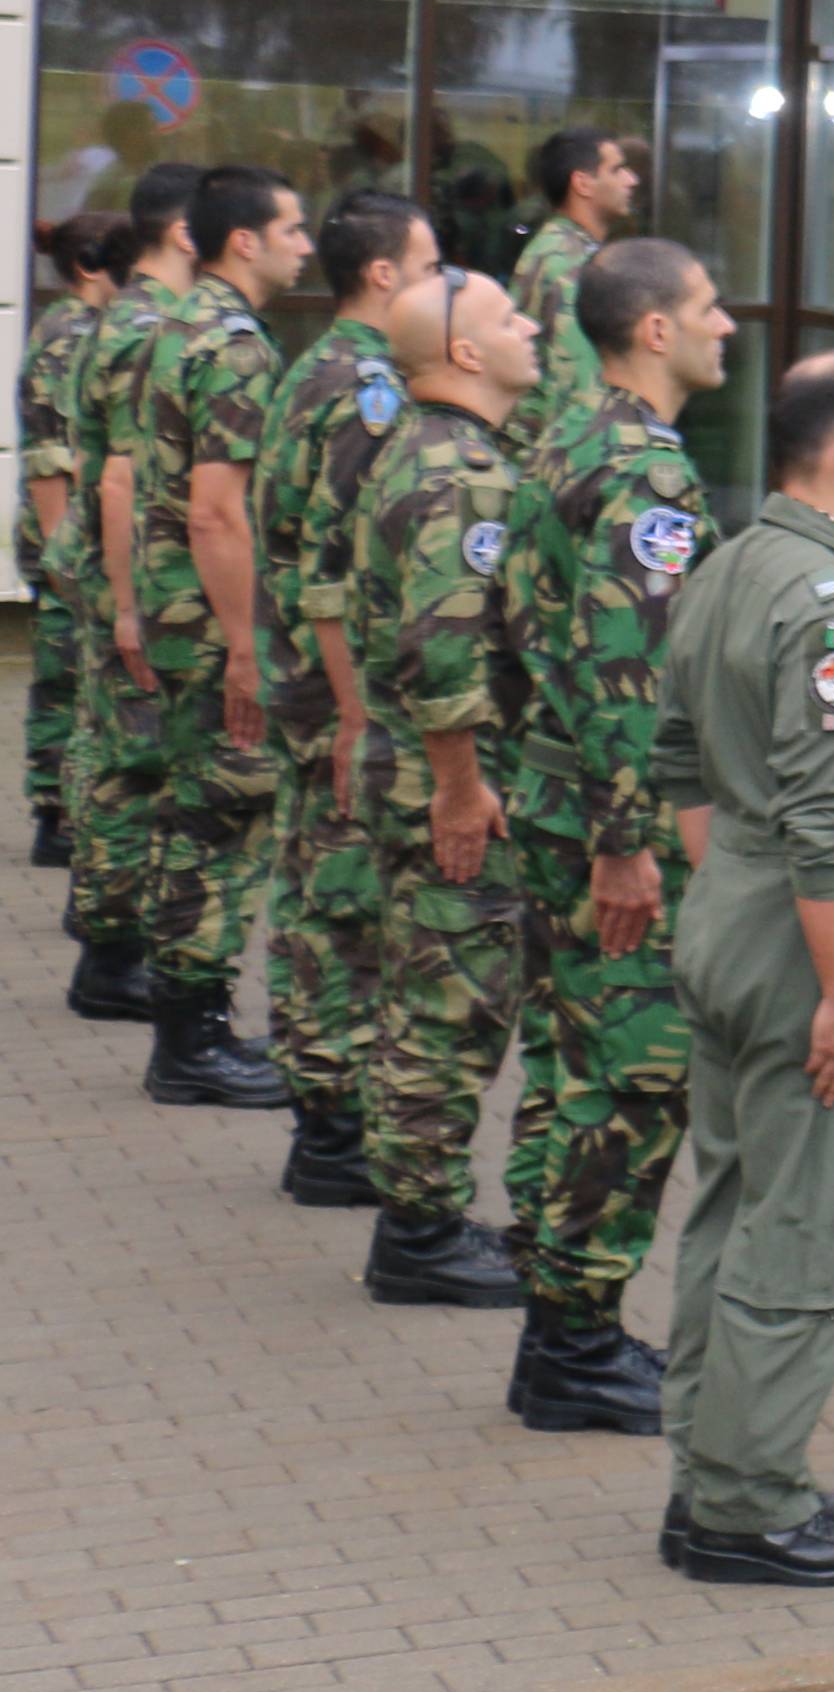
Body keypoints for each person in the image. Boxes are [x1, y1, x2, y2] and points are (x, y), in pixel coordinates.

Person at [651, 350, 834, 1591]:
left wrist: (732, 892)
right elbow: (829, 816)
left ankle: (710, 1472)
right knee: (805, 1224)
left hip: (728, 920)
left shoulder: (727, 564)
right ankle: (749, 1504)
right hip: (798, 951)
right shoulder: (828, 600)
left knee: (727, 1208)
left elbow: (680, 764)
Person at [493, 239, 732, 1434]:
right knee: (632, 1079)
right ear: (651, 330)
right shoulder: (644, 472)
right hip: (604, 819)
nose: (726, 324)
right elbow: (626, 669)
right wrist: (629, 839)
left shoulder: (568, 434)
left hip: (549, 797)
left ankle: (559, 1320)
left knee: (565, 1059)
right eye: (707, 308)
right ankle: (575, 1344)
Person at [346, 264, 541, 1301]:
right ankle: (418, 1237)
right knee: (450, 1005)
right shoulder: (461, 472)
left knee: (428, 990)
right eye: (511, 318)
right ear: (465, 353)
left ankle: (416, 1214)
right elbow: (442, 649)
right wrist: (463, 789)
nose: (534, 325)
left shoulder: (422, 451)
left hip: (409, 766)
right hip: (449, 780)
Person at [256, 192, 436, 1202]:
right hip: (335, 692)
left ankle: (324, 1120)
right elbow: (331, 565)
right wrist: (356, 716)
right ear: (382, 275)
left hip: (306, 681)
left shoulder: (315, 363)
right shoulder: (367, 388)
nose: (439, 281)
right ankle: (331, 1135)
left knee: (318, 893)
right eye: (428, 261)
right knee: (344, 906)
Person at [120, 163, 309, 1104]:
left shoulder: (180, 325)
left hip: (173, 608)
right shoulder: (234, 347)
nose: (306, 245)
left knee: (197, 815)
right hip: (208, 619)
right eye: (294, 229)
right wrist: (247, 646)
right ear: (246, 240)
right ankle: (192, 1042)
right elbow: (216, 515)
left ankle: (188, 1032)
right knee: (225, 821)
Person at [61, 164, 200, 1028]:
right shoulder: (152, 328)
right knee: (135, 763)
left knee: (121, 754)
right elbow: (120, 477)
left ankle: (110, 948)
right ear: (187, 232)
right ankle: (111, 961)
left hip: (114, 567)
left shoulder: (127, 318)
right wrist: (126, 605)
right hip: (136, 575)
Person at [22, 210, 128, 872]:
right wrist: (64, 554)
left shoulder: (83, 329)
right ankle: (54, 813)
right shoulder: (69, 336)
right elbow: (50, 458)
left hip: (73, 542)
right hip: (64, 541)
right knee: (65, 677)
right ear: (91, 265)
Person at [502, 130, 640, 457]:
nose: (632, 180)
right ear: (583, 183)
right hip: (555, 462)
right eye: (617, 169)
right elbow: (576, 387)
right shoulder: (572, 264)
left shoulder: (557, 247)